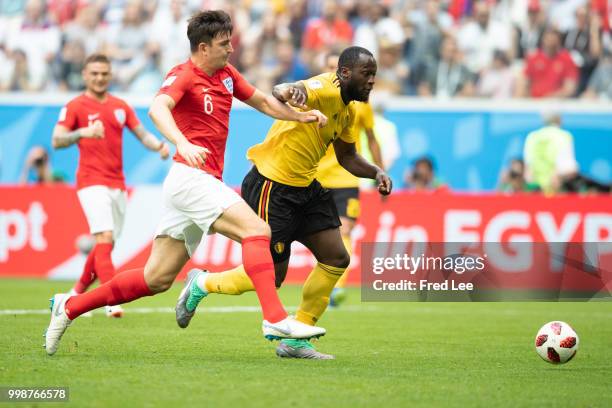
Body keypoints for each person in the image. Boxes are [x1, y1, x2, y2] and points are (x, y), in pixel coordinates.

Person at [44, 10, 328, 356]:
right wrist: (182, 141)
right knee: (258, 231)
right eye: (224, 44)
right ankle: (274, 318)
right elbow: (158, 108)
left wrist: (301, 117)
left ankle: (69, 307)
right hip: (188, 178)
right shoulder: (183, 75)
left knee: (156, 279)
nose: (231, 49)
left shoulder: (227, 74)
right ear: (203, 47)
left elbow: (264, 102)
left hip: (198, 181)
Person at [176, 46, 392, 360]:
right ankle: (202, 283)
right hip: (271, 186)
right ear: (344, 73)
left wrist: (375, 171)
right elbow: (286, 91)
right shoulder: (322, 88)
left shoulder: (350, 109)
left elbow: (347, 157)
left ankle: (296, 340)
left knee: (336, 257)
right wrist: (290, 92)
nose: (372, 81)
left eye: (374, 74)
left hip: (306, 187)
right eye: (366, 74)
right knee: (271, 278)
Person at [51, 53, 170, 318]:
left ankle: (75, 293)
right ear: (84, 75)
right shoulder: (75, 106)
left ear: (110, 75)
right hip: (90, 182)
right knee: (104, 237)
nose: (99, 78)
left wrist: (159, 145)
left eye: (104, 73)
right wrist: (83, 132)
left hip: (117, 183)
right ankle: (110, 298)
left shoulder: (120, 105)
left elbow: (141, 134)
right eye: (94, 73)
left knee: (106, 245)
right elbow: (57, 140)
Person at [314, 51, 384, 307]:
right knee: (319, 235)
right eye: (330, 67)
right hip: (316, 177)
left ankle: (336, 287)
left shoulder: (361, 105)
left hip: (346, 179)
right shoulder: (316, 98)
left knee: (345, 230)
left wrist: (380, 172)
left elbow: (372, 140)